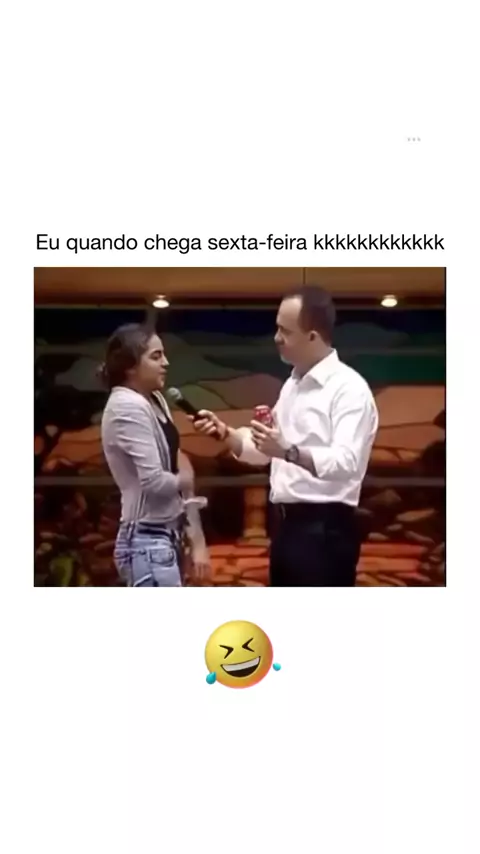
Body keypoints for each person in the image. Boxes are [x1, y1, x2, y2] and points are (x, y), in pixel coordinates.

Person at [193, 285, 379, 587]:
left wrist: (288, 451)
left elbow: (347, 462)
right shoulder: (292, 385)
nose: (276, 338)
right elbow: (265, 450)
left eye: (285, 331)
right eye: (277, 328)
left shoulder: (349, 389)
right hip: (287, 526)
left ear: (312, 337)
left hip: (325, 530)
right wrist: (226, 433)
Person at [100, 323, 210, 587]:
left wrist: (196, 538)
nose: (166, 363)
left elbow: (177, 459)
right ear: (130, 366)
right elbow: (155, 482)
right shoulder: (127, 406)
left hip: (167, 534)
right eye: (156, 356)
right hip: (145, 537)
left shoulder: (155, 399)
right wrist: (185, 479)